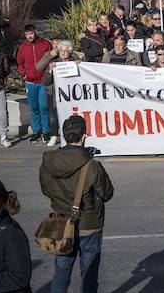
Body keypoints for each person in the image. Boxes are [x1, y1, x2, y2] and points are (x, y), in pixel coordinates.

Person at [40, 116, 114, 293]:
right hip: (89, 224)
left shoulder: (48, 162)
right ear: (84, 136)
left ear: (64, 136)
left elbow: (46, 190)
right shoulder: (92, 165)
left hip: (61, 224)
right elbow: (107, 193)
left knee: (60, 274)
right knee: (88, 276)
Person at [16, 24, 54, 145]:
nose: (29, 36)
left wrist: (49, 71)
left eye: (31, 33)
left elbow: (51, 58)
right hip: (30, 82)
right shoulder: (23, 47)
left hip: (43, 81)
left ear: (35, 32)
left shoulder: (45, 44)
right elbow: (20, 63)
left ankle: (46, 131)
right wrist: (23, 73)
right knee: (33, 108)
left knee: (44, 107)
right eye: (27, 34)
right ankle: (37, 131)